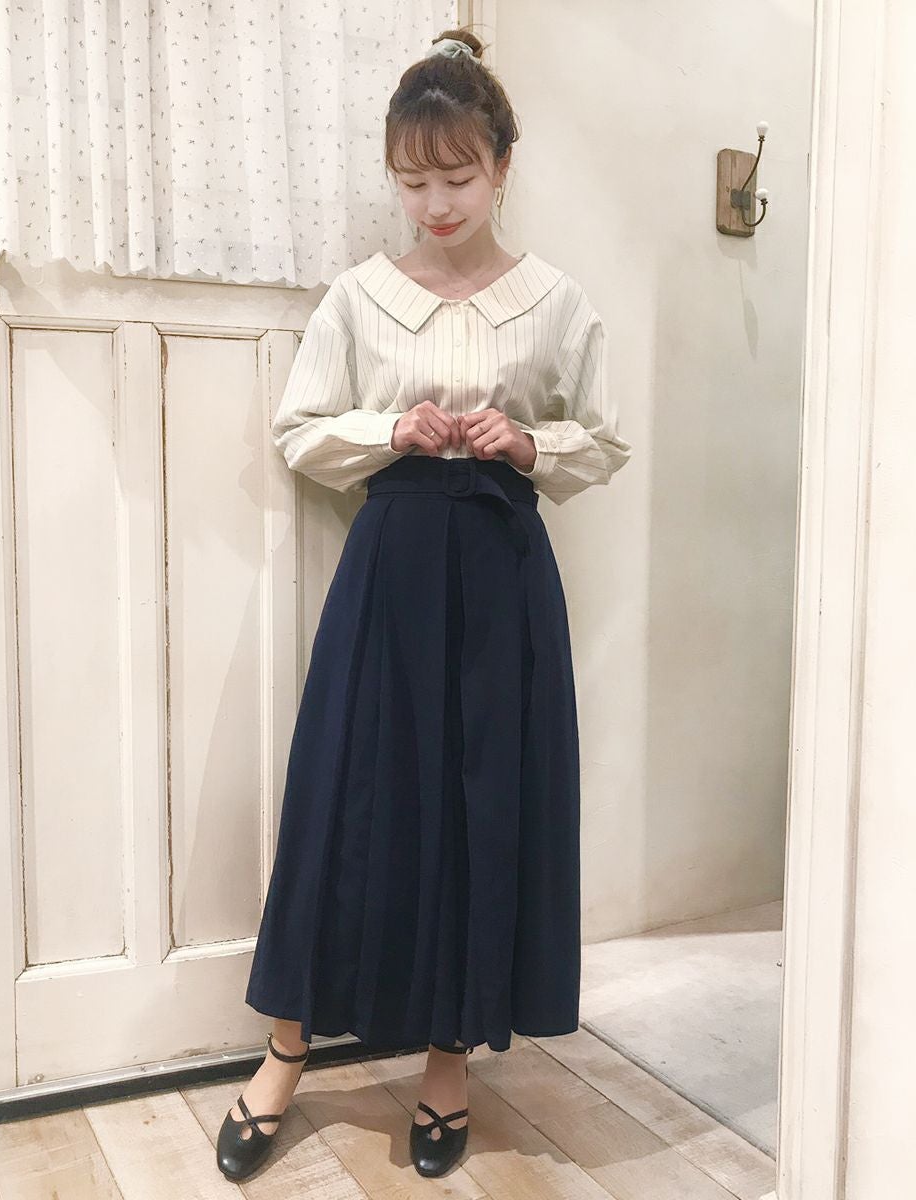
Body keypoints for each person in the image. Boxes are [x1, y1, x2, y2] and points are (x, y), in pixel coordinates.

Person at [216, 25, 633, 1184]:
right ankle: (286, 1048)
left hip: (501, 573)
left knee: (482, 805)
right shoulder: (360, 298)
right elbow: (300, 429)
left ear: (502, 165)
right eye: (412, 181)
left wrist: (528, 442)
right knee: (339, 797)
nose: (435, 203)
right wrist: (388, 428)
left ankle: (449, 1062)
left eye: (456, 176)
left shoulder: (556, 303)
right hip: (389, 570)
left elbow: (605, 439)